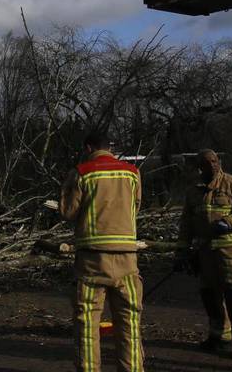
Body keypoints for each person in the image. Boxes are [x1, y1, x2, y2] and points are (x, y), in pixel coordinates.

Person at [59, 132, 145, 372]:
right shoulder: (132, 173)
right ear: (110, 148)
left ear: (89, 147)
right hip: (128, 261)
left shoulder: (82, 172)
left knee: (87, 326)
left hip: (91, 263)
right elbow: (135, 207)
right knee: (129, 325)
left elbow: (67, 212)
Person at [176, 150, 232, 359]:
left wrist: (229, 222)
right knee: (210, 298)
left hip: (230, 254)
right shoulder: (194, 192)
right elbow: (186, 224)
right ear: (199, 167)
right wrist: (182, 252)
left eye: (214, 161)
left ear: (219, 162)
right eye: (206, 163)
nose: (212, 165)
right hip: (205, 255)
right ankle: (219, 337)